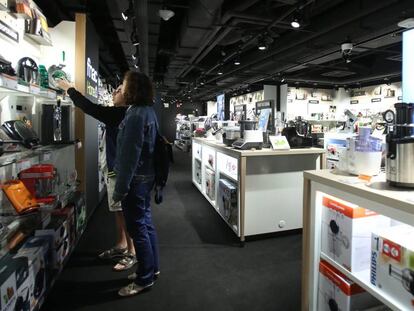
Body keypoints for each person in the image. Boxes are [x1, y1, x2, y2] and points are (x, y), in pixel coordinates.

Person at [56, 79, 137, 271]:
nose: (114, 93)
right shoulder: (122, 113)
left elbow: (90, 108)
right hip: (113, 168)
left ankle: (131, 252)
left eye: (118, 90)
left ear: (127, 96)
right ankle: (122, 244)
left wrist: (70, 89)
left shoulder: (120, 113)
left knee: (123, 210)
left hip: (118, 171)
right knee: (117, 209)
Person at [112, 71, 160, 297]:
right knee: (146, 224)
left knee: (138, 228)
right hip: (146, 177)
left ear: (132, 89)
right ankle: (152, 269)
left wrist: (119, 189)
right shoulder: (147, 111)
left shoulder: (135, 116)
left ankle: (144, 278)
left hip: (136, 180)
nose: (119, 89)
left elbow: (129, 157)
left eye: (123, 85)